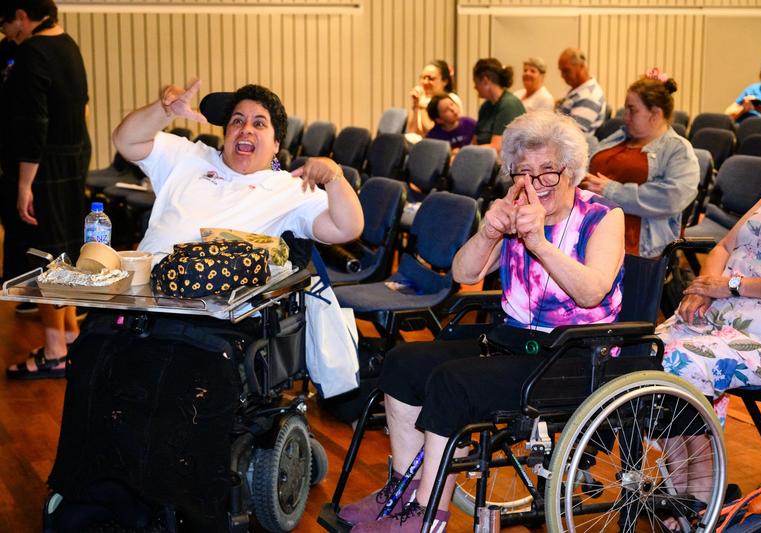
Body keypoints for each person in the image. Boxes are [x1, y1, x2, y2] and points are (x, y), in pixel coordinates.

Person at [338, 110, 625, 532]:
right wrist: (490, 232)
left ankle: (427, 514)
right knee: (403, 363)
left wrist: (538, 243)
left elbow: (591, 292)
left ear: (571, 171)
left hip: (574, 354)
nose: (535, 184)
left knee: (453, 382)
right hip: (514, 340)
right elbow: (463, 273)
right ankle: (401, 492)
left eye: (548, 171)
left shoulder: (603, 216)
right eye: (523, 173)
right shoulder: (515, 212)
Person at [656, 138, 761, 516]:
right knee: (643, 353)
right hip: (723, 309)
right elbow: (722, 247)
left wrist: (732, 286)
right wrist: (702, 289)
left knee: (679, 363)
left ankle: (700, 487)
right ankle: (683, 486)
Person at [112, 80, 364, 264]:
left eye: (259, 123)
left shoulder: (290, 189)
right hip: (141, 295)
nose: (246, 129)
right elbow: (126, 141)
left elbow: (346, 228)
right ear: (226, 134)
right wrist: (164, 110)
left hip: (214, 310)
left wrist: (334, 177)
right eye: (237, 121)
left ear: (276, 144)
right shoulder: (189, 156)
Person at [2, 0, 91, 379]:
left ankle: (54, 351)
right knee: (62, 255)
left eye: (6, 24)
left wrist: (24, 185)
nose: (7, 33)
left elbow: (33, 126)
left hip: (42, 168)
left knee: (42, 257)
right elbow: (83, 109)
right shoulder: (67, 43)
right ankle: (69, 335)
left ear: (22, 16)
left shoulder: (32, 53)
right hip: (71, 159)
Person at [581, 69, 699, 258]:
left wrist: (610, 191)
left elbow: (670, 199)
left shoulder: (677, 149)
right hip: (589, 228)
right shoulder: (620, 136)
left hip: (635, 246)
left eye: (632, 110)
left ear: (655, 114)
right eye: (626, 109)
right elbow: (588, 164)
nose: (625, 116)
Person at [472, 57, 526, 155]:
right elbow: (475, 142)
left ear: (485, 81)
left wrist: (465, 152)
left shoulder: (509, 106)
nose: (474, 87)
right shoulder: (485, 107)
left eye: (476, 82)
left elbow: (496, 148)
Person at [556, 47, 607, 138]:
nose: (562, 75)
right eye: (561, 71)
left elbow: (571, 135)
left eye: (566, 71)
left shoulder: (590, 97)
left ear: (581, 67)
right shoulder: (577, 89)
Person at [406, 60, 462, 138]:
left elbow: (431, 131)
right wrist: (415, 105)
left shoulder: (451, 99)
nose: (425, 82)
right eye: (423, 78)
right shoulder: (422, 99)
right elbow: (411, 132)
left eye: (431, 79)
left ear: (445, 81)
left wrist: (422, 106)